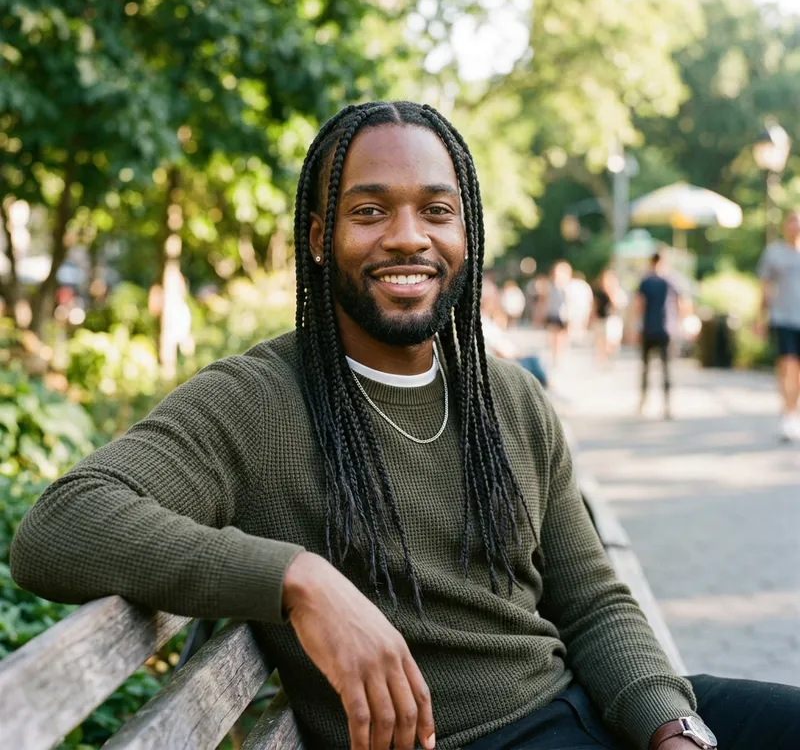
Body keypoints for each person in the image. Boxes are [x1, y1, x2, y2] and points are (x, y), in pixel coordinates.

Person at [10, 101, 800, 750]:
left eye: (436, 211)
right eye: (369, 211)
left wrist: (671, 726)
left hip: (589, 712)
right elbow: (61, 526)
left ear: (467, 234)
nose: (407, 237)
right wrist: (299, 579)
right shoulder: (255, 401)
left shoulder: (509, 399)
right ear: (320, 240)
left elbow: (592, 603)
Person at [758, 210, 800, 442]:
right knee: (787, 366)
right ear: (786, 225)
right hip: (782, 318)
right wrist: (760, 318)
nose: (796, 227)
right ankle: (788, 415)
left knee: (798, 373)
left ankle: (794, 410)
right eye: (792, 222)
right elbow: (764, 286)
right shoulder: (774, 254)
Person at [636, 252, 683, 419]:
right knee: (666, 369)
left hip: (649, 328)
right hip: (666, 329)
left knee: (646, 368)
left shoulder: (646, 281)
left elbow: (639, 305)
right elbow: (681, 304)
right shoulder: (671, 281)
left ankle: (643, 403)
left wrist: (635, 327)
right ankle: (667, 406)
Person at [592, 268, 626, 367]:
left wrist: (611, 294)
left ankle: (610, 357)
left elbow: (619, 305)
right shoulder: (599, 292)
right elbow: (594, 305)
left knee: (612, 340)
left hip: (613, 319)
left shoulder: (618, 292)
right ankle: (602, 360)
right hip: (601, 318)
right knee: (600, 340)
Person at [542, 260, 572, 367]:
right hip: (553, 313)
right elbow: (547, 300)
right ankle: (555, 356)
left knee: (562, 336)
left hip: (564, 315)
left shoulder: (568, 286)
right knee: (554, 336)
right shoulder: (551, 285)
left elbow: (570, 302)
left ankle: (560, 355)